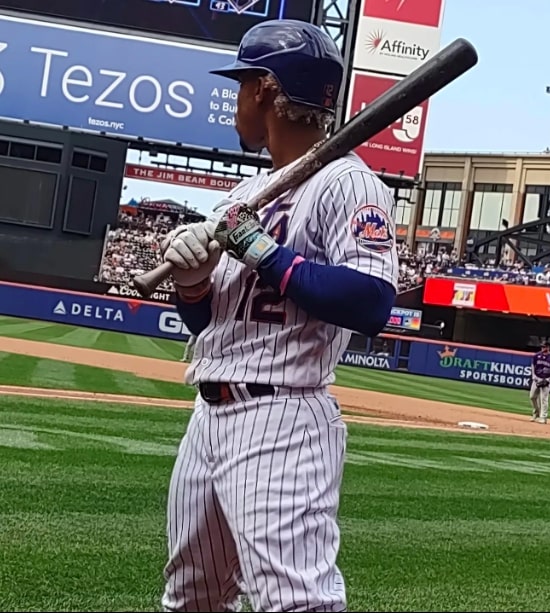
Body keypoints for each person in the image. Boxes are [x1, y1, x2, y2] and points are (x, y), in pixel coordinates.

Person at [157, 19, 398, 613]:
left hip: (283, 415)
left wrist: (262, 251)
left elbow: (372, 301)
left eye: (242, 84)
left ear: (266, 88)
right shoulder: (242, 198)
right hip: (208, 417)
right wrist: (191, 285)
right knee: (192, 599)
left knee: (295, 602)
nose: (235, 99)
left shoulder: (347, 182)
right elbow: (209, 321)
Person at [529, 341, 550, 424]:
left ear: (548, 348)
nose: (542, 348)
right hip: (537, 378)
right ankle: (536, 412)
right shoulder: (537, 355)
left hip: (546, 379)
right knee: (532, 397)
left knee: (544, 399)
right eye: (542, 346)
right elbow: (533, 365)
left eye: (544, 347)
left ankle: (543, 417)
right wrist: (533, 375)